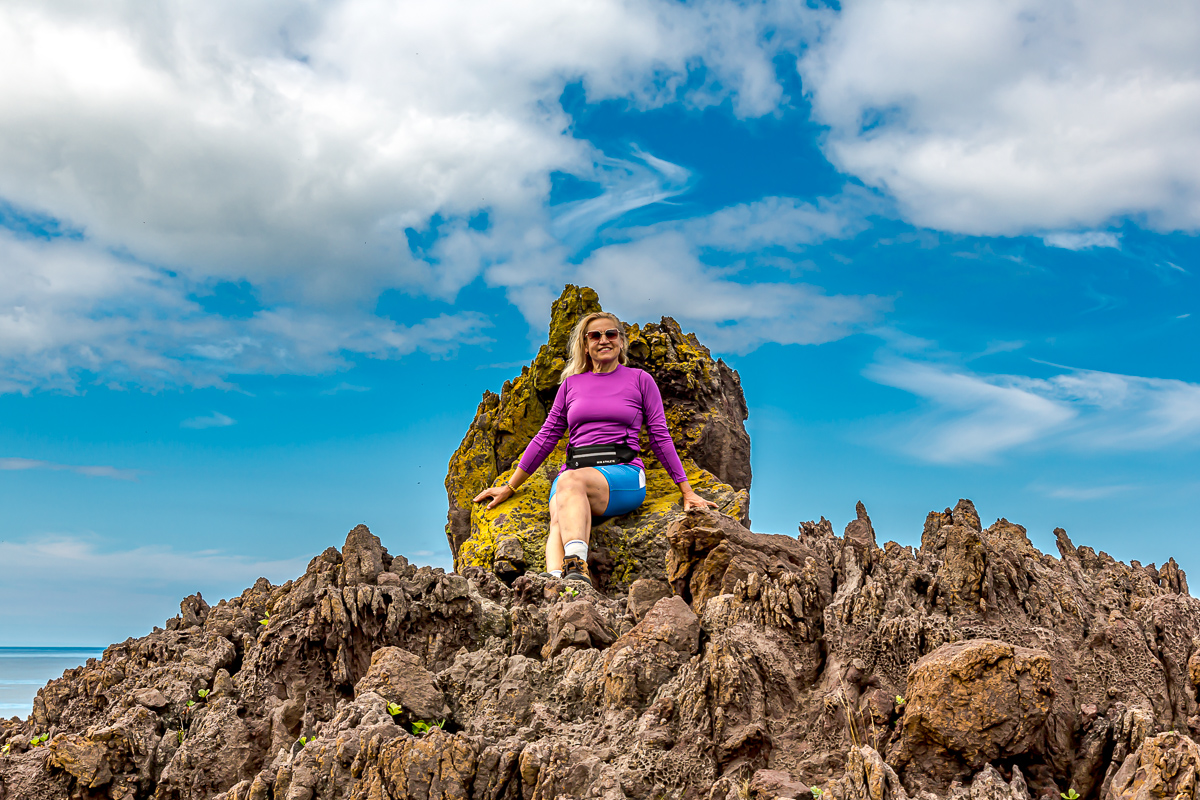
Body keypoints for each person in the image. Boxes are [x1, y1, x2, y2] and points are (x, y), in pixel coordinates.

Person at [473, 311, 717, 587]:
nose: (604, 340)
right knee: (559, 513)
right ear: (585, 345)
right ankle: (555, 582)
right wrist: (510, 487)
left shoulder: (640, 380)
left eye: (611, 334)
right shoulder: (571, 385)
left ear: (621, 342)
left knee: (568, 482)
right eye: (595, 335)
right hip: (574, 476)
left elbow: (660, 437)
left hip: (622, 474)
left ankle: (576, 565)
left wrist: (686, 490)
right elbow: (546, 437)